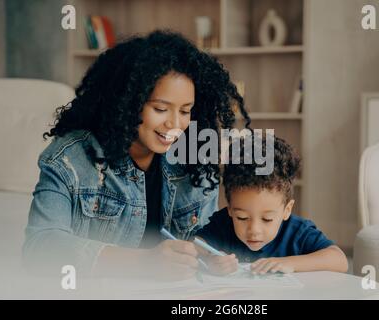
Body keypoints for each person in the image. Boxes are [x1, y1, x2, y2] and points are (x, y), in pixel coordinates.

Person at [22, 30, 250, 279]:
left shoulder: (196, 160)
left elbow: (205, 241)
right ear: (127, 102)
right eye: (161, 109)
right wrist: (143, 262)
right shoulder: (69, 159)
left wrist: (209, 258)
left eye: (186, 111)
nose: (175, 124)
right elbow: (40, 246)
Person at [195, 135, 348, 275]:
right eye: (242, 217)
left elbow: (340, 260)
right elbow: (194, 247)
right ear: (230, 209)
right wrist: (209, 261)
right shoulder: (222, 225)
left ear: (286, 210)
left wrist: (289, 263)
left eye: (267, 219)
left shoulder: (297, 232)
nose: (254, 230)